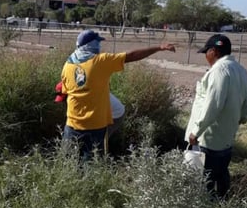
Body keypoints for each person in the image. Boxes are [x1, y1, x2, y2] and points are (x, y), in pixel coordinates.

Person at [60, 29, 176, 159]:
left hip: (71, 124)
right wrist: (159, 47)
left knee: (68, 161)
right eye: (97, 43)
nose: (99, 46)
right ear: (91, 45)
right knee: (92, 165)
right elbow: (131, 56)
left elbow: (66, 93)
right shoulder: (101, 61)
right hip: (95, 126)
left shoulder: (67, 65)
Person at [185, 34, 247, 199]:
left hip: (208, 140)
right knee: (221, 176)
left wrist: (196, 132)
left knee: (203, 182)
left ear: (213, 51)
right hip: (226, 137)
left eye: (206, 52)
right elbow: (246, 105)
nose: (206, 56)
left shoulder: (219, 71)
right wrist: (240, 119)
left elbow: (212, 106)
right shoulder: (241, 70)